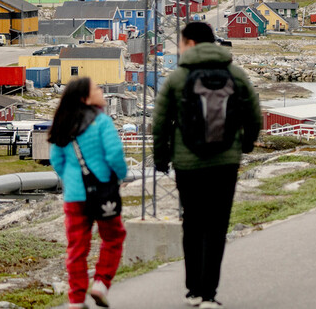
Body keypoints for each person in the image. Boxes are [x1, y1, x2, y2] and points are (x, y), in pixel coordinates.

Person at [153, 22, 262, 308]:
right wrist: (244, 146)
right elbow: (254, 116)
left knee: (193, 222)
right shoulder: (235, 74)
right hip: (225, 163)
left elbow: (160, 123)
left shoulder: (177, 78)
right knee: (216, 226)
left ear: (189, 43)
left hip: (188, 164)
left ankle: (193, 290)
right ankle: (210, 293)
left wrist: (162, 157)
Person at [50, 77, 129, 309]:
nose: (101, 90)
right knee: (113, 237)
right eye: (96, 88)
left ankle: (75, 300)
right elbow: (114, 155)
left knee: (77, 247)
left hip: (74, 197)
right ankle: (101, 283)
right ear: (86, 98)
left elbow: (57, 161)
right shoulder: (102, 121)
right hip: (103, 192)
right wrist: (119, 176)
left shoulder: (62, 123)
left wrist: (73, 181)